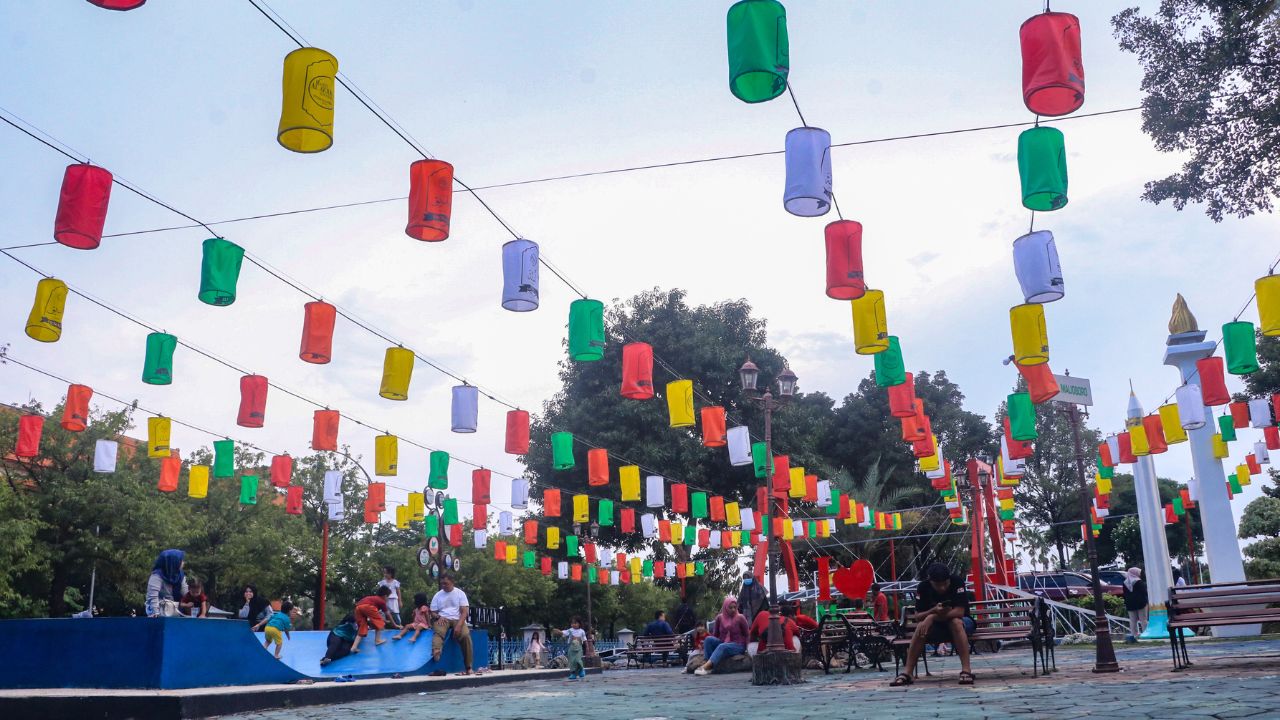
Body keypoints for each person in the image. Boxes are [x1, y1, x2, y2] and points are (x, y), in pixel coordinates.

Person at [891, 563, 975, 687]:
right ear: (930, 581)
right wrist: (933, 611)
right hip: (937, 626)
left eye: (945, 584)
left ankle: (966, 670)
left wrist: (932, 616)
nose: (942, 588)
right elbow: (918, 616)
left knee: (955, 622)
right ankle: (908, 673)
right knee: (920, 627)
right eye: (937, 585)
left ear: (949, 579)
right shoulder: (923, 587)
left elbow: (960, 612)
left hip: (963, 622)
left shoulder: (957, 582)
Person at [693, 596, 749, 676]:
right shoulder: (720, 618)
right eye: (730, 607)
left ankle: (705, 667)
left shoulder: (740, 617)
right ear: (725, 607)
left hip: (738, 645)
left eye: (734, 607)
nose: (733, 609)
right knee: (708, 639)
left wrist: (747, 649)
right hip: (723, 642)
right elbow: (715, 635)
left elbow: (747, 634)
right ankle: (707, 663)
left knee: (722, 646)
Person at [429, 573, 473, 675]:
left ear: (452, 582)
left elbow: (464, 611)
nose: (444, 585)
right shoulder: (438, 595)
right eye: (442, 584)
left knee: (465, 636)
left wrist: (459, 626)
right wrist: (438, 617)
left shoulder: (460, 593)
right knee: (439, 632)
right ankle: (436, 650)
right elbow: (433, 612)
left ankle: (468, 666)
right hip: (443, 618)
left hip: (458, 618)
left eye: (446, 583)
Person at [145, 549, 188, 618]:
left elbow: (185, 593)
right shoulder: (157, 575)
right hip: (159, 611)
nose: (183, 562)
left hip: (175, 610)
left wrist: (196, 600)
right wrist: (156, 613)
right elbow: (152, 596)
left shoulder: (180, 575)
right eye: (181, 560)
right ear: (173, 561)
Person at [350, 585, 393, 653]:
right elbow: (388, 614)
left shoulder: (372, 598)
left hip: (358, 607)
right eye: (388, 597)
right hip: (367, 607)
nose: (388, 599)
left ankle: (354, 647)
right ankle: (377, 640)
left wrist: (384, 620)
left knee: (362, 627)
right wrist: (395, 624)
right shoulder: (381, 601)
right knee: (379, 623)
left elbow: (375, 615)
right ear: (385, 596)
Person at [1123, 567, 1148, 643]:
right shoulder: (1139, 582)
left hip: (1130, 603)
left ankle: (1134, 635)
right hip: (1141, 603)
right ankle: (1145, 634)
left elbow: (1124, 593)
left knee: (1133, 620)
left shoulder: (1125, 582)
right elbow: (1144, 592)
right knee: (1143, 619)